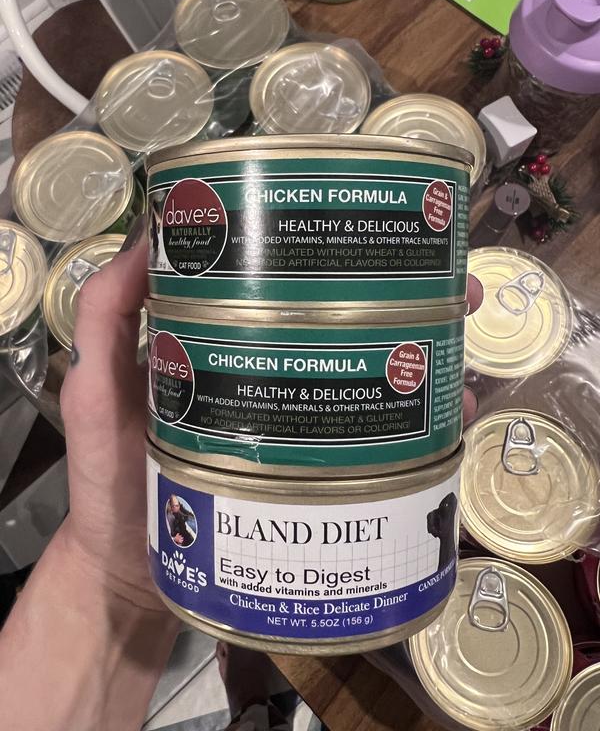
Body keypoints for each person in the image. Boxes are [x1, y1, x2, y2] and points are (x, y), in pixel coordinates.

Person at [0, 217, 483, 730]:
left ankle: (251, 704)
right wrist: (109, 570)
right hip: (193, 545)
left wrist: (109, 575)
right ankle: (255, 704)